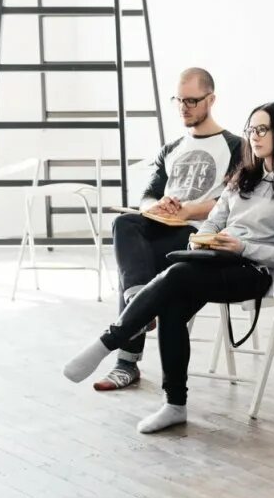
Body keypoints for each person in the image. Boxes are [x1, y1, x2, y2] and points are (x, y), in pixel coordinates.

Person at [63, 102, 274, 434]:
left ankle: (108, 342)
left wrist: (241, 247)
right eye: (251, 129)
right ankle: (174, 405)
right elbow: (212, 223)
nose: (254, 136)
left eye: (263, 129)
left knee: (179, 276)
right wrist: (206, 241)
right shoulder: (243, 179)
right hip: (216, 260)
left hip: (252, 272)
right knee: (171, 307)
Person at [92, 67, 242, 392]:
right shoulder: (172, 147)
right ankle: (137, 303)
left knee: (136, 265)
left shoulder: (235, 146)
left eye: (191, 100)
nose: (183, 107)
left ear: (211, 99)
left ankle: (126, 360)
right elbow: (147, 195)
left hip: (197, 237)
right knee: (124, 224)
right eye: (178, 100)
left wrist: (188, 209)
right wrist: (155, 208)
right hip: (164, 228)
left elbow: (232, 199)